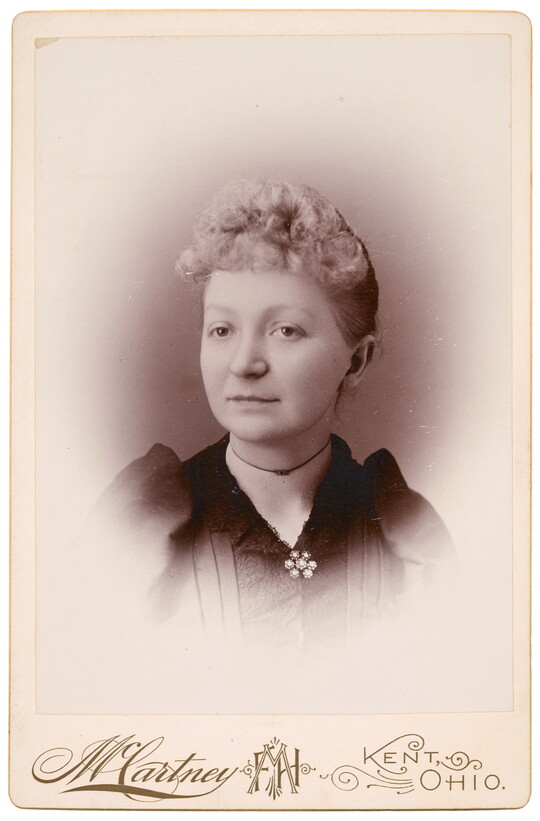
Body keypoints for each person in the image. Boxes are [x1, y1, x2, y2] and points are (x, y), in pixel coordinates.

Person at [85, 178, 453, 659]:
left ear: (356, 361)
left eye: (285, 329)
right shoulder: (140, 531)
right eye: (222, 329)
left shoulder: (405, 538)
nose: (244, 363)